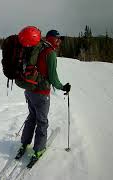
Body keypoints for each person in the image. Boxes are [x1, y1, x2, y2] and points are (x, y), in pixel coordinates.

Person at [16, 30, 71, 163]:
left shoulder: (36, 48)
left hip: (29, 90)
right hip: (41, 94)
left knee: (31, 117)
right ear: (51, 39)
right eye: (57, 39)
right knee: (42, 122)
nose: (59, 41)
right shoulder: (50, 53)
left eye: (60, 39)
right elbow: (53, 78)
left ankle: (24, 143)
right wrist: (63, 87)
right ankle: (39, 149)